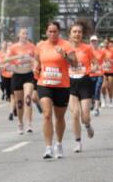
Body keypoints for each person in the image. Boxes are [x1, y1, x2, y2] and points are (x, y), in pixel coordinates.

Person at [35, 20, 77, 159]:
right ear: (46, 32)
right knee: (47, 114)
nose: (52, 34)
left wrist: (64, 55)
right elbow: (36, 60)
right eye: (50, 31)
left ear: (59, 32)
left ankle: (58, 144)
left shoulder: (66, 45)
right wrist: (36, 67)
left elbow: (75, 63)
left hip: (62, 85)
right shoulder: (40, 45)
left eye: (55, 31)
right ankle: (48, 147)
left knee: (59, 117)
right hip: (44, 83)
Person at [68, 21, 96, 152]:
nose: (77, 34)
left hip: (84, 81)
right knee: (75, 114)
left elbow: (95, 63)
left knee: (85, 116)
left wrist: (94, 68)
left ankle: (88, 125)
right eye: (74, 32)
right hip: (69, 82)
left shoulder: (87, 48)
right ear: (70, 34)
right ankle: (78, 142)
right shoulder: (65, 48)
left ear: (82, 34)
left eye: (79, 32)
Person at [4, 28, 36, 134]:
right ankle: (20, 122)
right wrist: (17, 57)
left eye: (26, 33)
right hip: (17, 75)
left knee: (27, 98)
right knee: (19, 102)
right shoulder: (13, 47)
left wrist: (33, 62)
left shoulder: (32, 47)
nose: (25, 35)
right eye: (23, 33)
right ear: (19, 35)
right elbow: (5, 60)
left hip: (28, 75)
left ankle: (29, 123)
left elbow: (37, 59)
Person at [89, 35, 104, 116]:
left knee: (97, 90)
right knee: (91, 91)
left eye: (95, 41)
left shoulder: (102, 52)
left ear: (97, 42)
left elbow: (106, 61)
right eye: (92, 41)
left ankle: (96, 108)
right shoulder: (88, 51)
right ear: (90, 42)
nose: (93, 42)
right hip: (90, 74)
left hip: (99, 74)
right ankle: (93, 102)